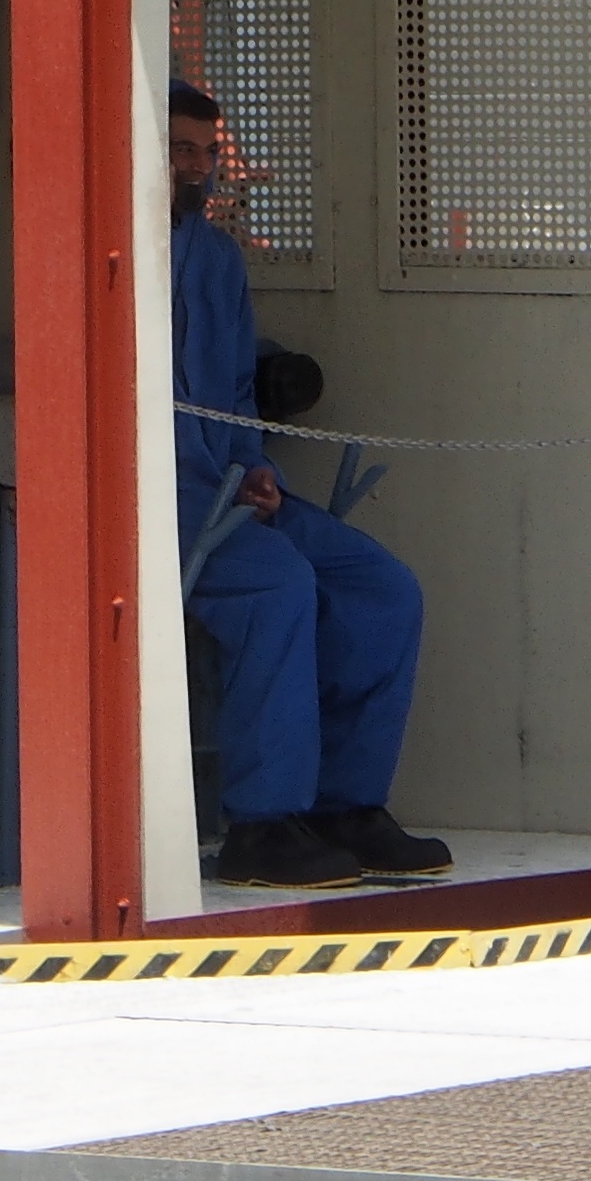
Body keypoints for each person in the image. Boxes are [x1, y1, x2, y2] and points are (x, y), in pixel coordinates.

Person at [171, 80, 447, 888]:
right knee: (278, 584)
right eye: (180, 150)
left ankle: (343, 807)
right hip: (154, 502)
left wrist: (256, 465)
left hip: (230, 488)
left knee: (382, 589)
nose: (197, 168)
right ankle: (260, 826)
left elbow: (235, 388)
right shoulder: (105, 254)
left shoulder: (218, 258)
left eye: (206, 152)